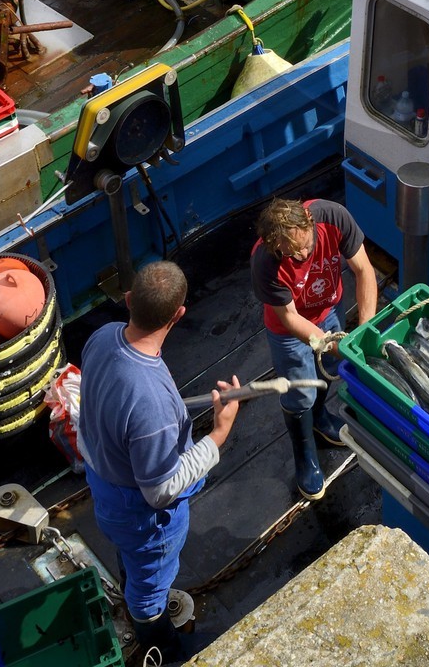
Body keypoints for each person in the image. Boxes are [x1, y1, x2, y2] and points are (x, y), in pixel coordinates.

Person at [77, 260, 240, 660]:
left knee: (130, 557)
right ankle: (159, 642)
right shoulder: (152, 404)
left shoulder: (101, 337)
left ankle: (132, 580)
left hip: (105, 487)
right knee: (148, 590)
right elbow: (160, 490)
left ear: (128, 299)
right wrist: (218, 434)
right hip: (142, 516)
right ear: (179, 315)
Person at [251, 196, 378, 499]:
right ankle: (304, 452)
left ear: (310, 221)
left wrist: (363, 330)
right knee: (300, 392)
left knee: (330, 370)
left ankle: (320, 419)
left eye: (307, 244)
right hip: (288, 329)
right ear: (275, 245)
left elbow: (364, 271)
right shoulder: (265, 261)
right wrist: (332, 344)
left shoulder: (334, 216)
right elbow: (290, 318)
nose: (305, 254)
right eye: (294, 252)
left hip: (329, 308)